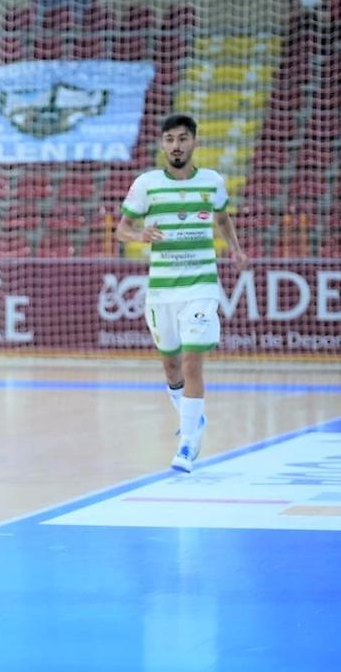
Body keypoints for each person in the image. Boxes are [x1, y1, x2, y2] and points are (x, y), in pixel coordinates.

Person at [116, 114, 248, 473]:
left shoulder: (212, 182)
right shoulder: (146, 184)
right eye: (170, 139)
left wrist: (235, 249)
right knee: (172, 367)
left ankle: (187, 444)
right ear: (162, 145)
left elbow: (222, 219)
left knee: (192, 362)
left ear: (195, 143)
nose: (177, 145)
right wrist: (140, 235)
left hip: (201, 285)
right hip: (162, 291)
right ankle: (194, 419)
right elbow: (122, 229)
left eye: (183, 139)